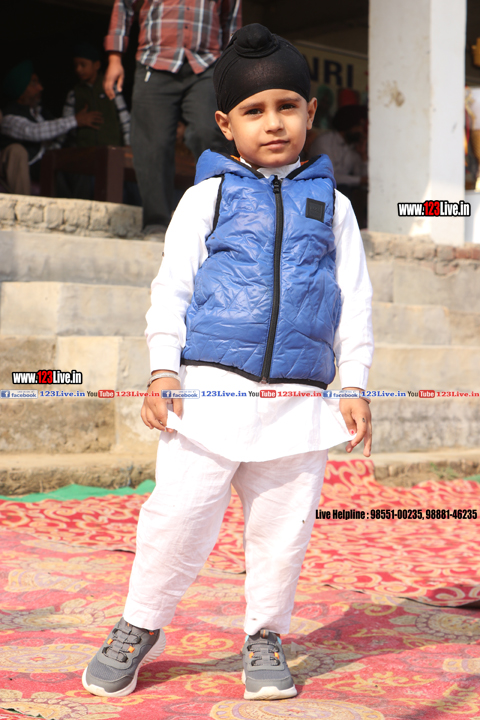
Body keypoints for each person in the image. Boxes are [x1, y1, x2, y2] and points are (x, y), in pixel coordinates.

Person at [82, 24, 373, 702]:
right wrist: (163, 369)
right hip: (208, 396)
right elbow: (172, 289)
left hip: (298, 405)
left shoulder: (334, 207)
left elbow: (354, 300)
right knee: (177, 518)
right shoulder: (205, 197)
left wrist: (354, 382)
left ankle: (265, 636)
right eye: (254, 110)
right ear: (225, 124)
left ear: (310, 112)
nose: (273, 123)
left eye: (287, 107)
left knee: (283, 532)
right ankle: (138, 623)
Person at [103, 0, 241, 238]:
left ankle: (218, 219)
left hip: (207, 63)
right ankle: (156, 223)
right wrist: (115, 59)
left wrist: (234, 66)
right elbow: (123, 6)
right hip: (154, 61)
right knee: (152, 144)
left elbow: (231, 20)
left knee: (211, 132)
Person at [0, 60, 103, 191]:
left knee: (78, 164)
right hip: (31, 167)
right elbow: (34, 132)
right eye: (34, 83)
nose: (40, 88)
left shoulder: (40, 113)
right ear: (21, 89)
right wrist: (75, 121)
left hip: (47, 164)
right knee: (54, 167)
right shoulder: (9, 118)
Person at [62, 43, 130, 148]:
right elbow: (65, 125)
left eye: (83, 65)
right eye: (76, 66)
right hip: (83, 150)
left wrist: (128, 144)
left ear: (96, 65)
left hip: (112, 148)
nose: (78, 69)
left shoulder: (111, 88)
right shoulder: (74, 94)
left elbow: (125, 119)